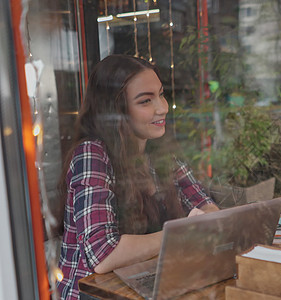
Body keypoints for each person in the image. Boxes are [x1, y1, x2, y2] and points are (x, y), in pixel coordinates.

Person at [56, 54, 219, 300]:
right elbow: (103, 254)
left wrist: (201, 223)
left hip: (145, 286)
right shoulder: (92, 154)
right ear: (116, 110)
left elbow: (208, 209)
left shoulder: (160, 153)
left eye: (161, 94)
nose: (162, 107)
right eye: (145, 101)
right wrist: (180, 235)